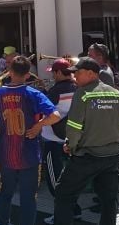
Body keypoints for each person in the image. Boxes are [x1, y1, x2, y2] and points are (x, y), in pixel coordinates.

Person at [53, 57, 119, 225]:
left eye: (78, 73)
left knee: (63, 194)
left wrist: (70, 146)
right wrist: (116, 138)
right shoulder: (115, 93)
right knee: (109, 200)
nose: (74, 77)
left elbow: (74, 128)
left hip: (86, 156)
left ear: (91, 73)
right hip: (112, 156)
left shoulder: (83, 94)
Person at [0, 55, 60, 225]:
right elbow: (56, 116)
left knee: (5, 192)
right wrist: (38, 126)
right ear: (28, 75)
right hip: (29, 154)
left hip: (6, 154)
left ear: (9, 72)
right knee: (29, 197)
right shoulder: (34, 94)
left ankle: (3, 222)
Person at [41, 58, 82, 225]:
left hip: (53, 140)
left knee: (54, 180)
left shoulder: (55, 91)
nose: (53, 76)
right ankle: (75, 210)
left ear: (59, 72)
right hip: (72, 139)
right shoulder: (78, 88)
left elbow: (46, 110)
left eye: (54, 73)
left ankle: (61, 215)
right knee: (70, 179)